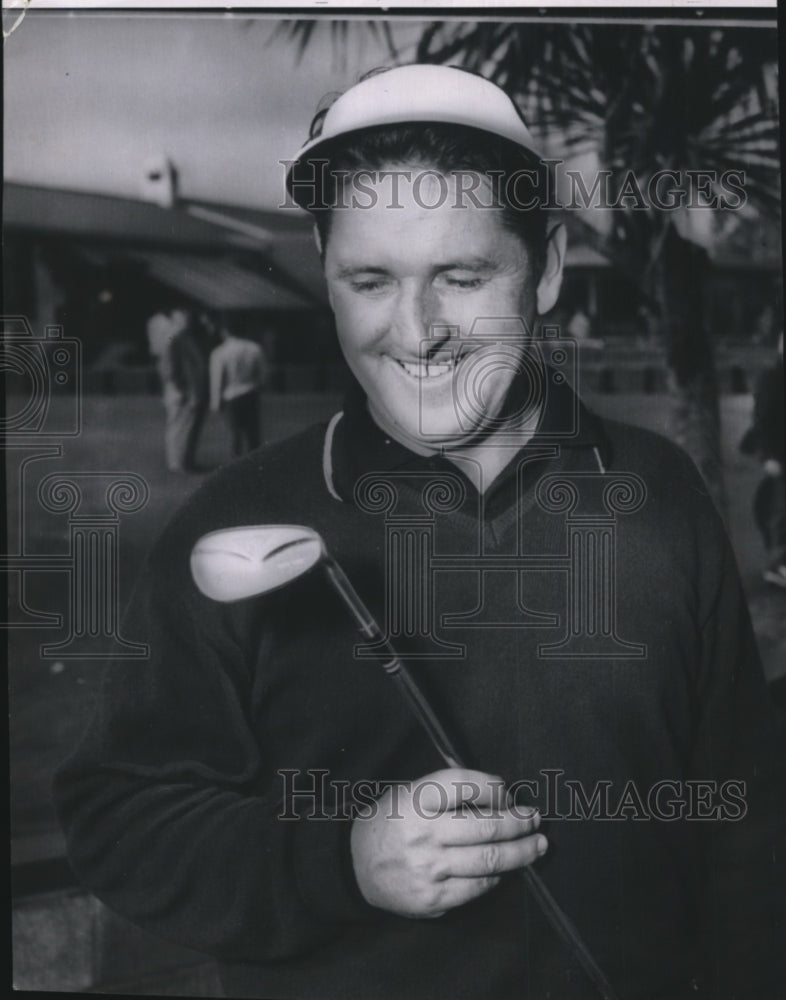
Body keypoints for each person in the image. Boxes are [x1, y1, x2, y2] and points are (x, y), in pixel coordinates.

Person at [56, 65, 784, 1000]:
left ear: (549, 268)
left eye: (461, 275)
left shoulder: (660, 489)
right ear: (325, 275)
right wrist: (340, 864)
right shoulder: (231, 519)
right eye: (371, 279)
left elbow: (750, 817)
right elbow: (118, 817)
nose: (418, 331)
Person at [740, 333, 785, 587]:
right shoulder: (772, 378)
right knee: (780, 509)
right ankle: (777, 563)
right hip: (779, 453)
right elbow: (763, 419)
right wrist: (769, 455)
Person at [148, 306, 209, 472]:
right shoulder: (175, 339)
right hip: (182, 391)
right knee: (180, 427)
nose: (187, 321)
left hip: (189, 390)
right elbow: (168, 368)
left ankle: (185, 461)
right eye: (184, 317)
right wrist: (180, 389)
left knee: (188, 427)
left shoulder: (187, 339)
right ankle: (178, 463)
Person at [209, 322, 269, 456]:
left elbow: (217, 380)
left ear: (225, 331)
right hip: (250, 393)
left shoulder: (220, 351)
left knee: (234, 434)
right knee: (253, 434)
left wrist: (215, 403)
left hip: (231, 396)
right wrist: (259, 386)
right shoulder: (254, 348)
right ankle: (254, 463)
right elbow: (263, 374)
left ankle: (235, 463)